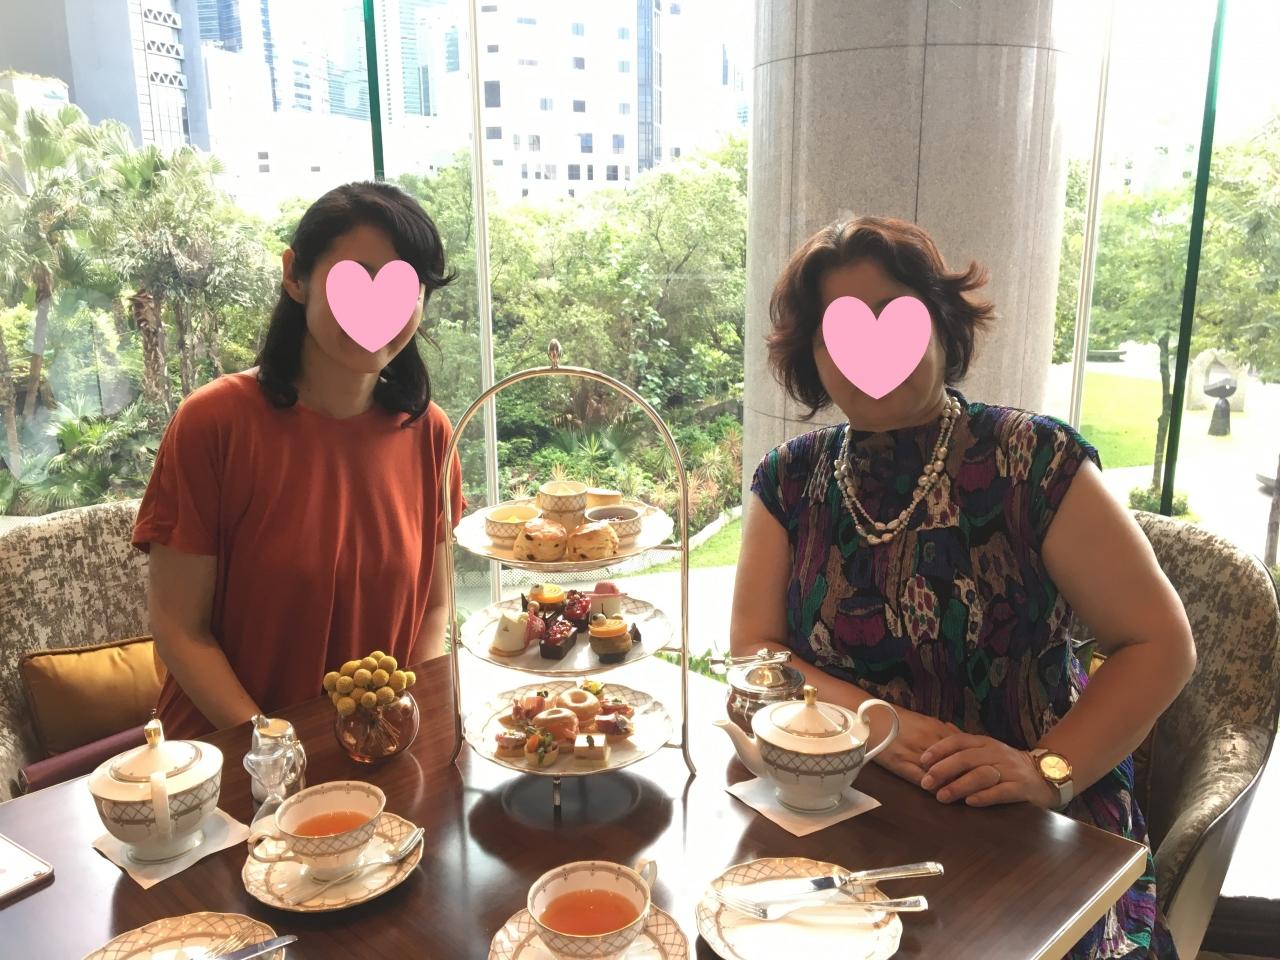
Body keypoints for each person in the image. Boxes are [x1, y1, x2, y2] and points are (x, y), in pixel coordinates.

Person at [731, 217, 1195, 959]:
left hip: (1022, 815)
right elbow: (755, 652)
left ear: (945, 329)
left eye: (896, 316)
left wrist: (1046, 772)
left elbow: (1160, 644)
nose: (869, 351)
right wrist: (876, 729)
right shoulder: (788, 478)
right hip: (839, 798)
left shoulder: (1032, 459)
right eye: (836, 331)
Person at [132, 181, 465, 739]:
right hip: (231, 757)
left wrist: (404, 714)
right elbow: (179, 629)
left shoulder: (428, 433)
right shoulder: (214, 423)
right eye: (355, 278)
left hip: (374, 749)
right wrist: (276, 747)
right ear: (295, 275)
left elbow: (434, 609)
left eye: (405, 287)